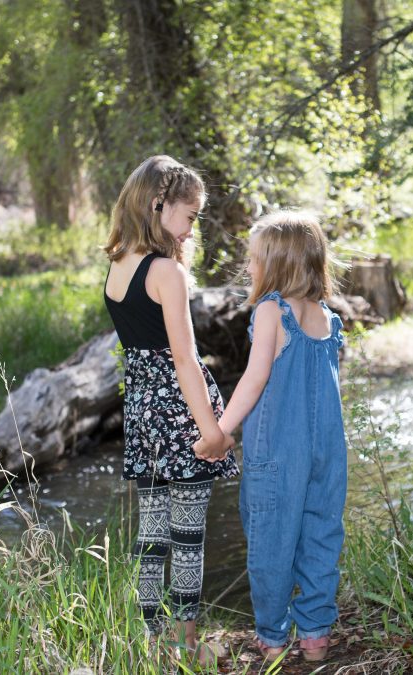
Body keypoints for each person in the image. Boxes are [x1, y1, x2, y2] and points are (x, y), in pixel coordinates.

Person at [194, 210, 348, 662]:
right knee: (321, 536)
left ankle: (272, 637)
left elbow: (254, 379)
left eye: (255, 258)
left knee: (271, 541)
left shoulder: (270, 310)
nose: (249, 267)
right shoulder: (326, 318)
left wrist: (220, 432)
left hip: (277, 453)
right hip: (326, 454)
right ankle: (316, 636)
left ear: (278, 265)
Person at [103, 155, 238, 665]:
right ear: (159, 205)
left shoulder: (119, 265)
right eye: (190, 215)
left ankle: (151, 639)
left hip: (142, 415)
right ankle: (185, 643)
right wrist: (213, 431)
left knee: (152, 532)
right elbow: (184, 358)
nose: (191, 228)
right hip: (181, 417)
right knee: (188, 537)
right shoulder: (167, 273)